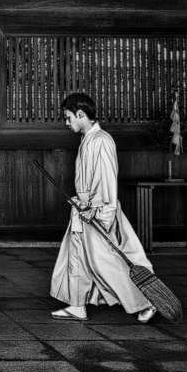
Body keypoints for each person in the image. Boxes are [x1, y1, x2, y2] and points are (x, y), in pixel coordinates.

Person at [50, 92, 156, 323]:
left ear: (81, 114)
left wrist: (101, 212)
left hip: (97, 212)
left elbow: (107, 179)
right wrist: (81, 202)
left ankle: (146, 302)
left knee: (105, 262)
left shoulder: (102, 140)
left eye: (68, 117)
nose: (66, 123)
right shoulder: (88, 139)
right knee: (76, 256)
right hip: (85, 209)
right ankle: (77, 305)